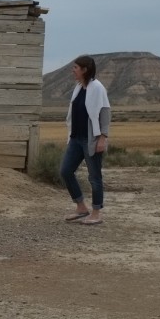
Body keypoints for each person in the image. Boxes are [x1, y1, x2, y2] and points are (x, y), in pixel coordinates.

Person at [61, 54, 111, 225]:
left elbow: (105, 113)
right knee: (66, 171)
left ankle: (96, 213)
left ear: (85, 69)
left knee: (94, 176)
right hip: (76, 138)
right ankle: (81, 207)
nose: (72, 70)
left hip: (91, 138)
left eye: (75, 67)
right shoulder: (78, 88)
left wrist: (102, 138)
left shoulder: (97, 88)